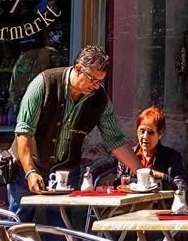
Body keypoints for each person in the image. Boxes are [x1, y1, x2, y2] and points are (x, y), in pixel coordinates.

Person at [14, 42, 139, 199]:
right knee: (20, 220)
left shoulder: (99, 98)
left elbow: (115, 140)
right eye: (93, 80)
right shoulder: (44, 83)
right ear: (78, 69)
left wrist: (141, 172)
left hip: (66, 172)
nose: (96, 86)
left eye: (100, 82)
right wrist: (30, 172)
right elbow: (24, 131)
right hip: (29, 167)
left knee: (61, 222)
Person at [132, 107, 187, 190]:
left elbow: (182, 189)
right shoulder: (129, 155)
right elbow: (118, 185)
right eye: (142, 131)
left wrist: (161, 176)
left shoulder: (172, 158)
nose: (145, 137)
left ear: (160, 134)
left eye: (150, 132)